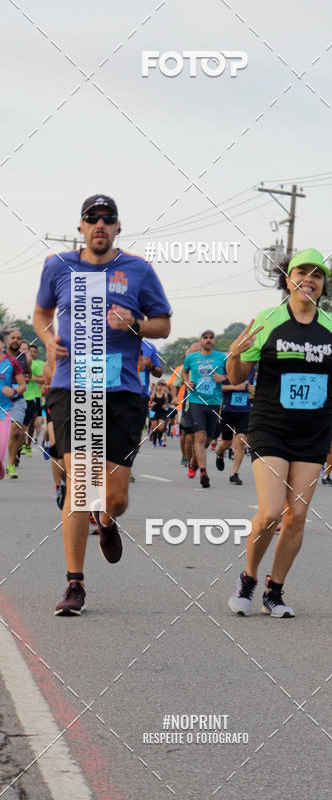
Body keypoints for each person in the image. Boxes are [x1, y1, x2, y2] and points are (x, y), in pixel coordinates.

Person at [33, 194, 171, 615]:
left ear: (117, 227)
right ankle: (75, 584)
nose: (99, 225)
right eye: (92, 218)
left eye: (107, 219)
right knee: (80, 484)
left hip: (124, 391)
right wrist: (46, 338)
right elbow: (41, 313)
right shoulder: (58, 266)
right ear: (81, 226)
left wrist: (135, 323)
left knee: (115, 497)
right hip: (74, 386)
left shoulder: (138, 269)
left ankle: (107, 521)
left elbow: (163, 323)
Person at [226, 248, 332, 618]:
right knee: (272, 511)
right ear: (288, 279)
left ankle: (274, 592)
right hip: (270, 426)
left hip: (313, 431)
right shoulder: (268, 319)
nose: (309, 279)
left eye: (317, 275)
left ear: (323, 285)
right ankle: (248, 579)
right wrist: (233, 354)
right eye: (301, 273)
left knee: (297, 516)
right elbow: (236, 377)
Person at [181, 330, 227, 489]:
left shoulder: (222, 357)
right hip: (196, 400)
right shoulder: (192, 357)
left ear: (214, 340)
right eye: (205, 337)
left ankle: (195, 462)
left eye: (210, 337)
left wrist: (224, 378)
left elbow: (234, 375)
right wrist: (186, 382)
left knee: (208, 440)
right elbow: (184, 371)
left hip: (214, 402)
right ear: (200, 340)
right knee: (200, 436)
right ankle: (203, 472)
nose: (208, 340)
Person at [215, 368, 255, 485]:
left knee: (242, 440)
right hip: (227, 410)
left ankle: (234, 474)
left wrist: (253, 389)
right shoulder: (225, 367)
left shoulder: (251, 368)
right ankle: (219, 452)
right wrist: (235, 387)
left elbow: (257, 387)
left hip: (244, 410)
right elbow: (218, 388)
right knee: (226, 443)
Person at [2, 329, 29, 478]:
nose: (16, 341)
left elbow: (26, 377)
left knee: (16, 431)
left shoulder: (24, 358)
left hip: (17, 398)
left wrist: (17, 389)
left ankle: (11, 464)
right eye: (13, 338)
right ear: (7, 340)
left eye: (19, 338)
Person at [23, 343, 45, 452]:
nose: (32, 353)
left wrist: (31, 378)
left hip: (36, 395)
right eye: (30, 351)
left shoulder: (39, 364)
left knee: (32, 422)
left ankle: (28, 444)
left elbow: (44, 379)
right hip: (22, 395)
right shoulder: (18, 362)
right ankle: (22, 444)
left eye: (34, 352)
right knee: (22, 422)